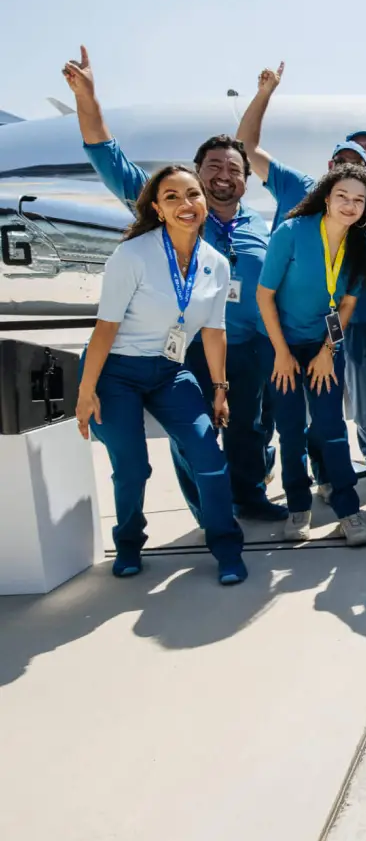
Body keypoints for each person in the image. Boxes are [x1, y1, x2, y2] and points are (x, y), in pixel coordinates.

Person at [62, 46, 286, 523]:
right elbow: (108, 157)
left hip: (248, 347)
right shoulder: (172, 209)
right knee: (194, 437)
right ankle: (207, 512)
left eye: (234, 169)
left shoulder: (260, 226)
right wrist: (87, 98)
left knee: (250, 427)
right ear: (197, 174)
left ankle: (250, 496)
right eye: (214, 168)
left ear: (246, 181)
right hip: (186, 349)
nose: (224, 176)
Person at [75, 165, 247, 585]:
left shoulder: (216, 263)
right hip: (114, 372)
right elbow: (105, 328)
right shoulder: (132, 255)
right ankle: (129, 542)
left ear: (204, 200)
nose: (185, 204)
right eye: (172, 197)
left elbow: (214, 330)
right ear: (157, 208)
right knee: (132, 467)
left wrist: (220, 389)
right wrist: (86, 391)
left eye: (193, 194)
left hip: (169, 371)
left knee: (208, 456)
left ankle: (227, 546)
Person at [238, 64, 366, 487]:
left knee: (333, 412)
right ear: (330, 165)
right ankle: (306, 481)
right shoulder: (299, 186)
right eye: (343, 162)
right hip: (291, 326)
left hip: (352, 317)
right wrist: (265, 94)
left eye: (359, 163)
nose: (350, 170)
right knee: (291, 417)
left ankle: (336, 476)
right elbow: (246, 147)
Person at [256, 165, 366, 546]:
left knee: (331, 428)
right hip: (281, 343)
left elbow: (346, 304)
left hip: (324, 343)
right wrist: (281, 353)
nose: (350, 205)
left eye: (359, 200)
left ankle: (348, 511)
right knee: (291, 429)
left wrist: (329, 351)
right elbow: (264, 296)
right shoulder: (292, 232)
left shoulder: (359, 243)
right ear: (326, 198)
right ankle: (298, 506)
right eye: (342, 196)